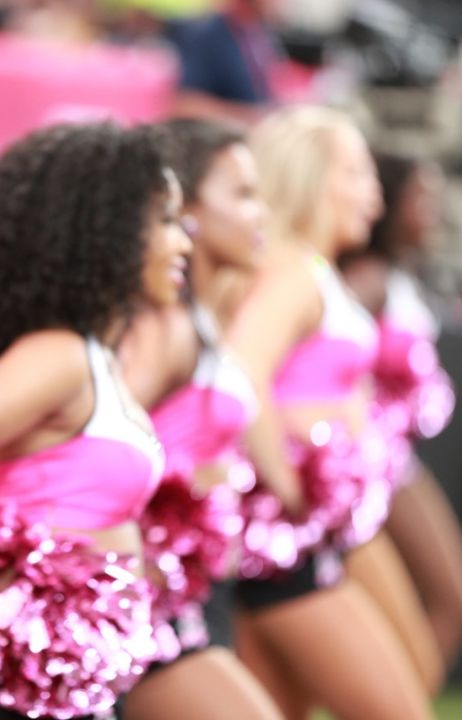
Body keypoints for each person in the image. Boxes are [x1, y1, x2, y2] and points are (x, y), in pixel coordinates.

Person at [0, 121, 191, 720]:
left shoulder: (97, 357)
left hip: (78, 674)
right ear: (101, 232)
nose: (183, 242)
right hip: (29, 685)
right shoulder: (61, 353)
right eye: (164, 221)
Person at [227, 106, 434, 720]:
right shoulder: (293, 271)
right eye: (356, 174)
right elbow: (240, 374)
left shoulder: (313, 270)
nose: (374, 195)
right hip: (283, 541)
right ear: (309, 178)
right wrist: (290, 484)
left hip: (313, 534)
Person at [118, 118, 282, 720]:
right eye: (241, 194)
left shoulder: (203, 314)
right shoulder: (164, 326)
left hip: (202, 592)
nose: (260, 212)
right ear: (185, 208)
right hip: (156, 607)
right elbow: (97, 441)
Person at [339, 152, 462, 668]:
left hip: (396, 463)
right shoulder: (369, 278)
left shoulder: (395, 276)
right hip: (371, 466)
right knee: (454, 602)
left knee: (454, 604)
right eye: (420, 198)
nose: (432, 212)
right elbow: (323, 351)